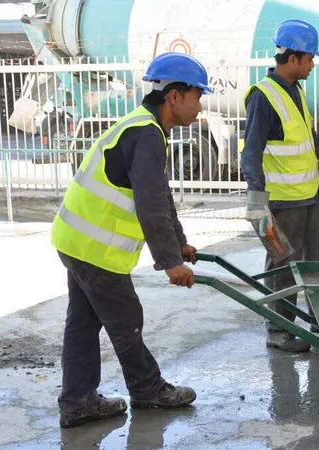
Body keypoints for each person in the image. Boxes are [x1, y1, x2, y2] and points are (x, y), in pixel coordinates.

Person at [50, 52, 212, 428]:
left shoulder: (144, 128)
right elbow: (151, 205)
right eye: (197, 96)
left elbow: (158, 194)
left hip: (75, 240)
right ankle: (148, 389)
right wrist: (170, 262)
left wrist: (179, 243)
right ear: (174, 96)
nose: (200, 106)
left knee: (83, 324)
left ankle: (78, 402)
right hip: (94, 249)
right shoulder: (146, 134)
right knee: (126, 320)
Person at [241, 19, 319, 352]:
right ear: (294, 58)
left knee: (315, 265)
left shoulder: (295, 90)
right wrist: (256, 200)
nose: (313, 65)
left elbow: (307, 139)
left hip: (308, 198)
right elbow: (251, 152)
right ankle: (279, 330)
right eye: (310, 58)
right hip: (281, 204)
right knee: (282, 266)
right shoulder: (263, 97)